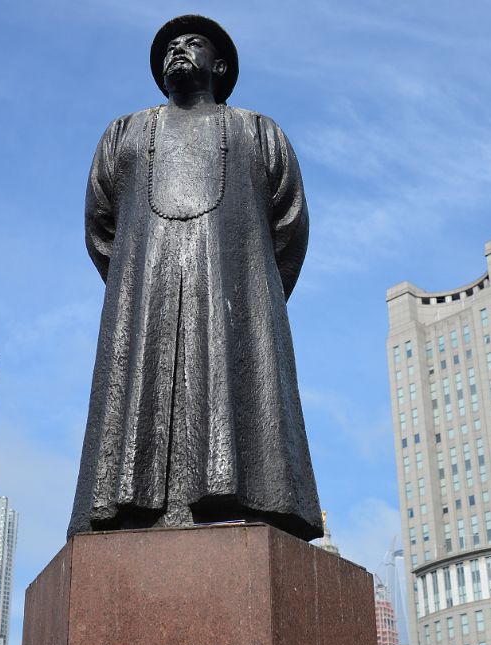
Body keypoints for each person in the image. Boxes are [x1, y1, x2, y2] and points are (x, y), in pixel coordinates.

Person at [69, 15, 323, 541]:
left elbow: (288, 225)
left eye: (192, 44)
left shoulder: (259, 132)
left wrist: (251, 294)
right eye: (170, 47)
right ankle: (130, 503)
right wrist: (136, 285)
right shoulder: (125, 133)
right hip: (144, 298)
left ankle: (243, 495)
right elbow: (101, 226)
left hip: (236, 292)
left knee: (237, 392)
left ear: (220, 65)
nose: (178, 51)